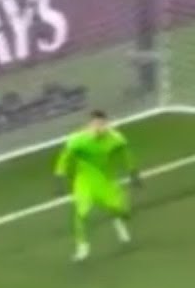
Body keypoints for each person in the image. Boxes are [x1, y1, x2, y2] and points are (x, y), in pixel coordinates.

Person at [54, 110, 140, 262]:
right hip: (84, 182)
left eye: (102, 124)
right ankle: (82, 248)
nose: (99, 127)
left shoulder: (115, 138)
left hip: (106, 181)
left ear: (107, 124)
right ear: (89, 124)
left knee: (123, 212)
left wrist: (133, 172)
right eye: (96, 124)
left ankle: (118, 220)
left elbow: (126, 153)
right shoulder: (78, 140)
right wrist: (59, 178)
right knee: (81, 215)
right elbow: (64, 158)